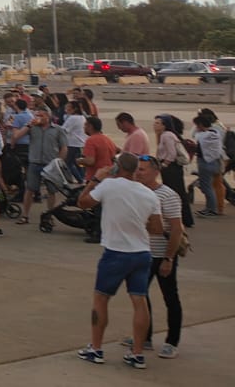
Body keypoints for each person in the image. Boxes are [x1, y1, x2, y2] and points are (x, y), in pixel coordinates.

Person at [76, 153, 163, 370]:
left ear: (117, 167)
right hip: (142, 253)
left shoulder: (110, 186)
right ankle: (138, 353)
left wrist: (96, 179)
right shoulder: (149, 194)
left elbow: (83, 203)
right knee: (140, 301)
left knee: (101, 299)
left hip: (116, 252)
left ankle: (96, 348)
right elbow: (157, 228)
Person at [132, 156, 185, 359]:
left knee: (170, 297)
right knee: (140, 296)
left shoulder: (168, 195)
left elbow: (176, 229)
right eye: (137, 169)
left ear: (155, 172)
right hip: (142, 253)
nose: (138, 173)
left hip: (161, 254)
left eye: (143, 170)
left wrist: (168, 259)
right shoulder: (137, 192)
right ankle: (144, 336)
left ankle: (172, 341)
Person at [15, 108, 66, 224]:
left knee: (51, 191)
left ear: (48, 116)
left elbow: (63, 147)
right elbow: (17, 136)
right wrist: (28, 125)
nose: (38, 117)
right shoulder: (32, 128)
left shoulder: (57, 129)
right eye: (36, 115)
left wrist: (60, 162)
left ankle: (49, 215)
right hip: (34, 162)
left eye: (41, 115)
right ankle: (25, 215)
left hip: (50, 164)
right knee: (30, 189)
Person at [192, 113, 227, 216]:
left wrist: (197, 127)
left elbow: (195, 135)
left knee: (206, 187)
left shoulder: (203, 136)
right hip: (215, 163)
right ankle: (213, 208)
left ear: (201, 124)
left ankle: (211, 209)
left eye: (197, 125)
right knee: (212, 186)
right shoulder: (216, 132)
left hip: (205, 164)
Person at [79, 116, 118, 182]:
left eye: (85, 125)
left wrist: (79, 161)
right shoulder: (107, 139)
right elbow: (118, 150)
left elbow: (90, 161)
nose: (84, 127)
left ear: (90, 126)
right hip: (108, 176)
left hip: (95, 178)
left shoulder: (91, 140)